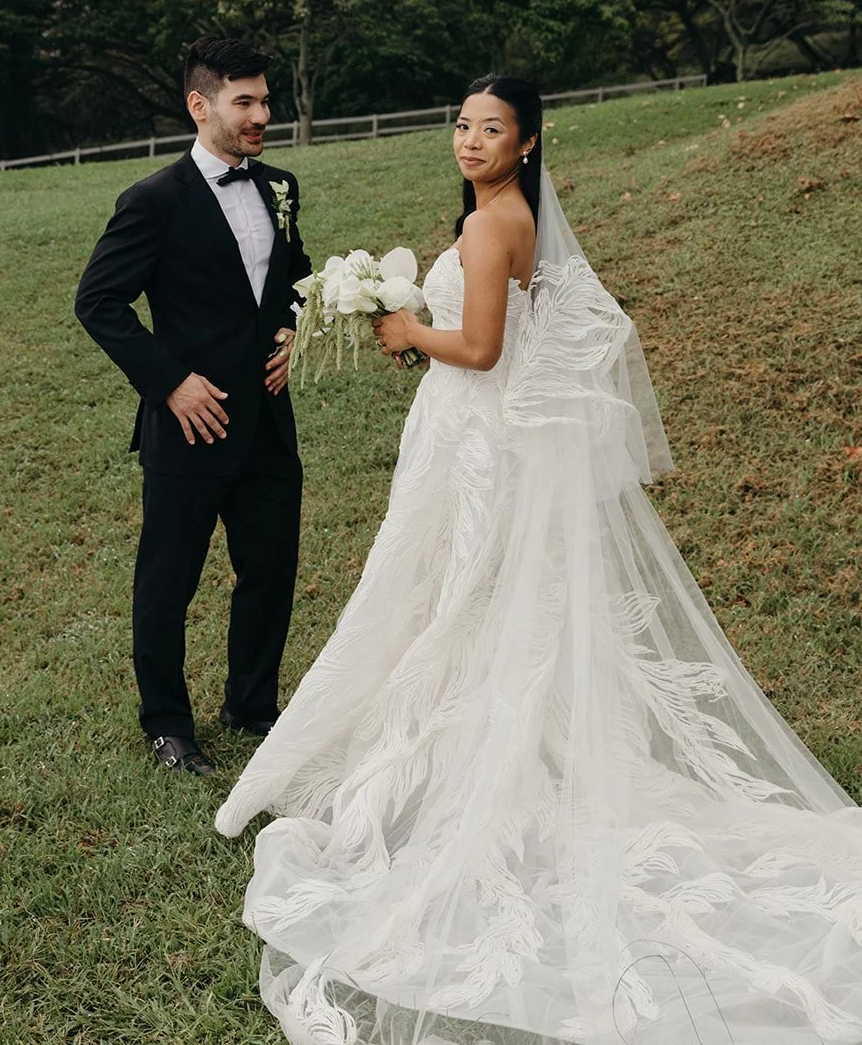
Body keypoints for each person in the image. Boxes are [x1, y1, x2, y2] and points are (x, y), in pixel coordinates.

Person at [215, 73, 862, 1045]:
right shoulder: (509, 216)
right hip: (475, 440)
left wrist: (404, 328)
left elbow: (476, 349)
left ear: (524, 144)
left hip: (471, 443)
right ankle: (442, 769)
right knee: (459, 606)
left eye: (490, 129)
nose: (469, 140)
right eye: (462, 124)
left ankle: (434, 788)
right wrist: (411, 332)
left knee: (443, 604)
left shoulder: (489, 224)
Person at [75, 37, 311, 777]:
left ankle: (250, 704)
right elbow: (98, 302)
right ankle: (168, 725)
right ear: (199, 105)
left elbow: (294, 280)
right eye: (245, 102)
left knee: (270, 570)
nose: (261, 115)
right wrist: (169, 382)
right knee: (168, 581)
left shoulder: (281, 186)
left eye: (265, 101)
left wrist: (294, 330)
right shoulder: (152, 200)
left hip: (268, 425)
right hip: (190, 425)